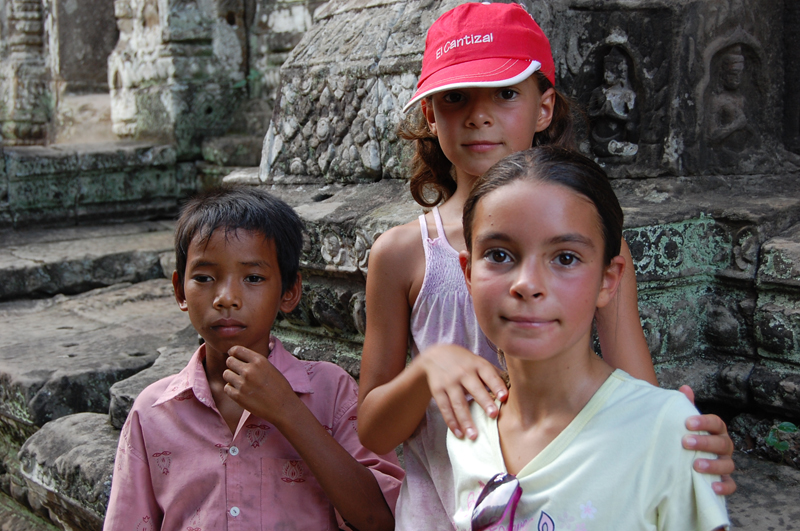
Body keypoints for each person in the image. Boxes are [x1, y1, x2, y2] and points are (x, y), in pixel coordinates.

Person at [355, 2, 735, 528]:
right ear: (429, 114)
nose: (478, 115)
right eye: (455, 97)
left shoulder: (601, 246)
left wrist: (675, 436)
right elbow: (372, 429)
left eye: (506, 93)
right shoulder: (401, 253)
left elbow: (635, 388)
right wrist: (427, 371)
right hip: (439, 511)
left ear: (544, 107)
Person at [445, 146, 729, 530]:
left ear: (608, 281)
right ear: (467, 273)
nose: (527, 284)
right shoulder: (468, 427)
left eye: (565, 258)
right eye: (498, 255)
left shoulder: (665, 431)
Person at [103, 186, 403, 531]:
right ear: (179, 290)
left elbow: (381, 519)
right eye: (204, 278)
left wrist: (289, 412)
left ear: (289, 292)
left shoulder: (330, 392)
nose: (227, 298)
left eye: (254, 278)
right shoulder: (153, 413)